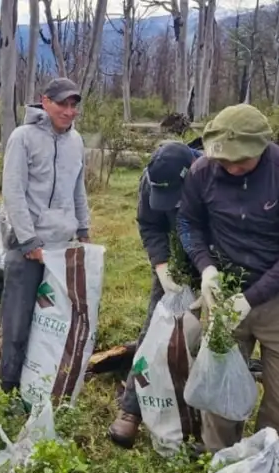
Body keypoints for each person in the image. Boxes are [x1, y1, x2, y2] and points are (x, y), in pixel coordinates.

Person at [177, 103, 279, 453]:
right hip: (225, 294)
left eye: (239, 160)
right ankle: (220, 457)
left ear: (261, 147)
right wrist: (206, 268)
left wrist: (252, 298)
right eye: (222, 160)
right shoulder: (201, 171)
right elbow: (189, 223)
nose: (230, 166)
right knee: (218, 383)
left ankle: (265, 464)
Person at [0, 77, 91, 395]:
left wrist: (83, 228)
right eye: (62, 103)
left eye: (73, 105)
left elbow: (78, 187)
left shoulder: (76, 141)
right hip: (28, 246)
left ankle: (45, 383)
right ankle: (8, 386)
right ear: (45, 102)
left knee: (56, 318)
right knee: (17, 319)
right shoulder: (23, 138)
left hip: (62, 245)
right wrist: (28, 240)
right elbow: (13, 190)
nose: (69, 111)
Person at [108, 141, 203, 448]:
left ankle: (198, 417)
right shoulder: (151, 179)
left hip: (215, 259)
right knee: (154, 330)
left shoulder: (212, 175)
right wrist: (162, 265)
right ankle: (132, 409)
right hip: (173, 261)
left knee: (208, 340)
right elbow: (149, 223)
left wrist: (213, 274)